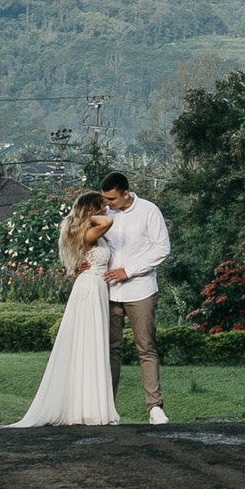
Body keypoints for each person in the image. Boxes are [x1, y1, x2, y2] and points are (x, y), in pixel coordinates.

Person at [6, 193, 120, 428]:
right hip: (89, 289)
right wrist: (92, 217)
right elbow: (108, 222)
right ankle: (87, 409)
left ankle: (89, 405)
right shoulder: (90, 232)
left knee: (91, 346)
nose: (107, 209)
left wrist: (88, 217)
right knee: (87, 346)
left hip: (94, 287)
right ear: (92, 210)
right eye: (102, 206)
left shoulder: (87, 233)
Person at [99, 171, 172, 424]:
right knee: (109, 350)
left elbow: (162, 248)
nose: (107, 203)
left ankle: (155, 408)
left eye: (111, 199)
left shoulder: (149, 211)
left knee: (146, 348)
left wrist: (127, 271)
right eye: (105, 199)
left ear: (126, 194)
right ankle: (107, 408)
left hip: (140, 290)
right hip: (108, 293)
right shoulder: (104, 213)